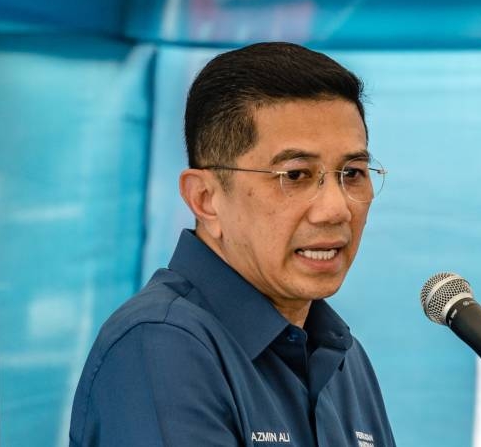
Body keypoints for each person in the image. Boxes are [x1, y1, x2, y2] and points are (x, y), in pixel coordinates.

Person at [69, 42, 396, 446]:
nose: (335, 209)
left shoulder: (340, 353)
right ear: (205, 198)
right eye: (295, 175)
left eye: (353, 172)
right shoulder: (160, 346)